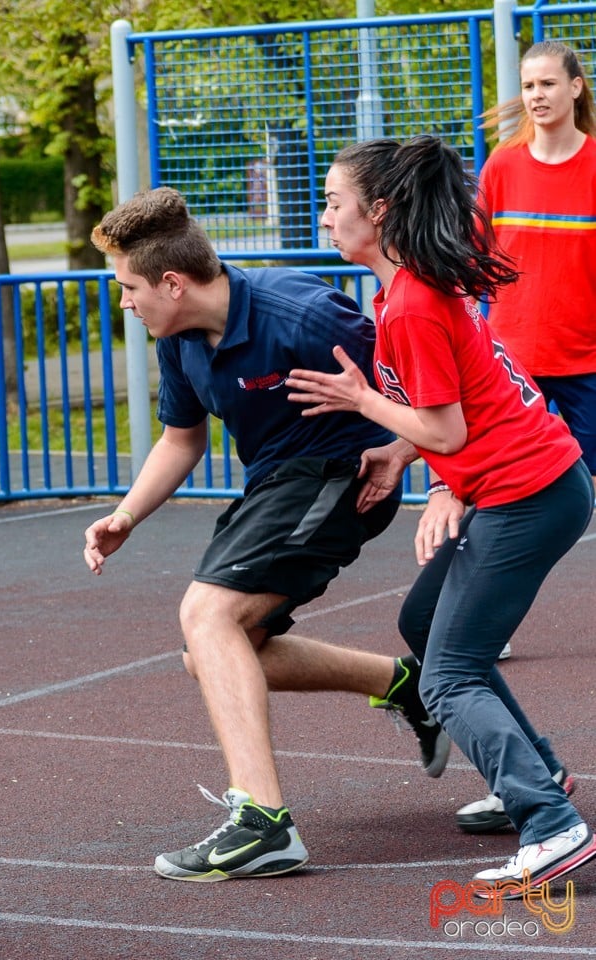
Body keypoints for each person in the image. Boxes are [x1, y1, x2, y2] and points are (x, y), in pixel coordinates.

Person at [82, 186, 451, 883]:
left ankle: (263, 823)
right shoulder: (181, 340)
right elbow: (181, 438)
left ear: (172, 283)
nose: (124, 303)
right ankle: (405, 686)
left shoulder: (303, 315)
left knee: (208, 613)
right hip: (278, 486)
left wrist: (424, 469)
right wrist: (126, 515)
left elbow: (426, 381)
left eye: (129, 288)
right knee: (215, 652)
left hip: (344, 473)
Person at [285, 135, 596, 892]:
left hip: (530, 493)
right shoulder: (408, 291)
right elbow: (468, 409)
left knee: (447, 677)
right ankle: (540, 769)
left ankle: (552, 827)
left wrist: (364, 402)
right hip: (533, 483)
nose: (325, 218)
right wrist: (413, 463)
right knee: (427, 625)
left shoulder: (414, 304)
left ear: (380, 211)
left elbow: (448, 429)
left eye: (333, 203)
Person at [478, 40, 596, 496]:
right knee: (508, 481)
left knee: (583, 483)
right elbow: (471, 258)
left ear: (576, 87)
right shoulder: (502, 166)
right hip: (513, 358)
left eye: (548, 83)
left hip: (586, 357)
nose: (536, 94)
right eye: (529, 85)